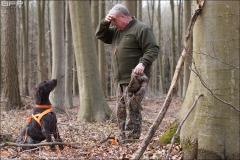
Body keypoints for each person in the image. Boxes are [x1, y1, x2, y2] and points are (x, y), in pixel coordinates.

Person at [95, 4, 159, 143]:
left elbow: (153, 48)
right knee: (121, 111)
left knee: (132, 110)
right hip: (121, 79)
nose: (113, 24)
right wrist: (105, 22)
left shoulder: (141, 29)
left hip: (135, 79)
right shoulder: (117, 31)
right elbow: (100, 34)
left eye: (114, 21)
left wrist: (143, 63)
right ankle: (123, 137)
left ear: (123, 17)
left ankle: (132, 140)